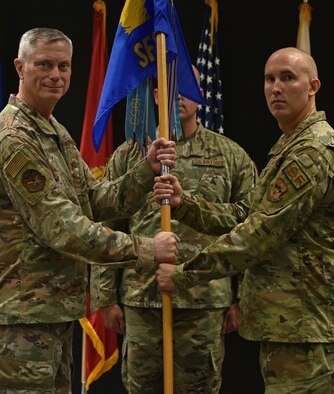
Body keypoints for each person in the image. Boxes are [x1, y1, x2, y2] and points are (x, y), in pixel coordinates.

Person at [0, 27, 180, 393]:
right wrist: (147, 249)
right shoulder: (12, 138)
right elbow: (62, 227)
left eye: (63, 66)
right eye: (44, 64)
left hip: (50, 309)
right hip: (22, 316)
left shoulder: (53, 132)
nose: (56, 75)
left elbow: (95, 201)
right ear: (20, 67)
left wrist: (145, 172)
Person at [155, 47, 334, 393]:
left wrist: (184, 274)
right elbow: (246, 213)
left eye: (287, 78)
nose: (276, 88)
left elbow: (260, 234)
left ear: (313, 86)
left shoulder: (312, 152)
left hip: (310, 326)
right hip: (292, 324)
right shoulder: (290, 146)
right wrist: (185, 204)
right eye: (269, 79)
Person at [90, 65, 258, 393]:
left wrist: (242, 298)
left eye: (186, 87)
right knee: (141, 387)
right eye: (170, 88)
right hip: (143, 297)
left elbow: (250, 227)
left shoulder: (230, 156)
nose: (178, 95)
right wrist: (105, 298)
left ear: (201, 95)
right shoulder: (131, 155)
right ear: (155, 96)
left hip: (205, 300)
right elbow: (108, 223)